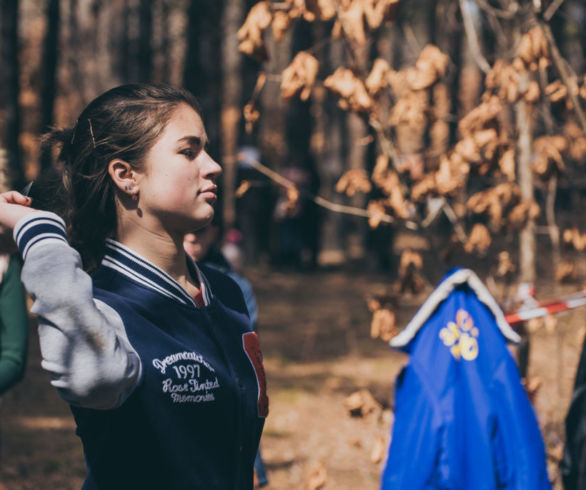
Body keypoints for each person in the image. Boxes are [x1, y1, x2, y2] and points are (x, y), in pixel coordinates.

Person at [0, 83, 268, 489]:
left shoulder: (226, 294)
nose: (212, 165)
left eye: (206, 150)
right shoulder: (98, 301)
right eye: (188, 151)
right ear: (127, 176)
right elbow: (95, 377)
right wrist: (37, 231)